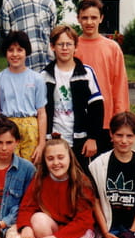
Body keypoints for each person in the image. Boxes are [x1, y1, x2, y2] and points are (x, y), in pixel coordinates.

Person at [7, 137, 96, 238]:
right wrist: (26, 227)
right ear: (45, 161)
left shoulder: (81, 182)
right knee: (38, 219)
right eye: (50, 158)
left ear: (69, 157)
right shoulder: (40, 179)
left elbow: (84, 221)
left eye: (61, 157)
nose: (56, 163)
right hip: (53, 227)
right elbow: (26, 207)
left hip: (77, 231)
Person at [42, 25, 104, 173]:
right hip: (53, 139)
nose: (65, 48)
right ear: (52, 47)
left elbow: (97, 107)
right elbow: (40, 111)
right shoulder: (44, 76)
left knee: (80, 180)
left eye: (69, 44)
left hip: (79, 140)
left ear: (75, 47)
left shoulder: (86, 73)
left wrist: (93, 138)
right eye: (60, 44)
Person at [74, 0, 130, 153]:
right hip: (78, 122)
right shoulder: (72, 47)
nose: (89, 22)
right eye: (85, 17)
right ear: (78, 19)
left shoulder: (112, 48)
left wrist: (120, 122)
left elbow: (119, 87)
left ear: (101, 18)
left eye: (94, 17)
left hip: (106, 121)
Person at [0, 0, 59, 72]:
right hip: (19, 65)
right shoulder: (9, 3)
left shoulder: (49, 3)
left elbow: (53, 35)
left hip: (45, 64)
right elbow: (6, 36)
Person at [0, 31, 47, 163]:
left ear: (26, 52)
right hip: (7, 128)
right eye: (11, 50)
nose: (15, 54)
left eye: (19, 50)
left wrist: (41, 143)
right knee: (9, 166)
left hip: (31, 130)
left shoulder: (37, 79)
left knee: (31, 167)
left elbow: (41, 113)